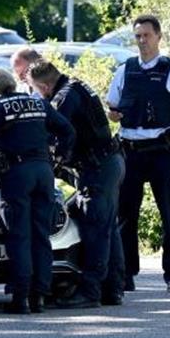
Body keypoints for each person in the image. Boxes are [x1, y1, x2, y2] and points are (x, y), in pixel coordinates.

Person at [0, 67, 75, 314]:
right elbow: (67, 130)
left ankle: (20, 297)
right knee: (41, 236)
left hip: (16, 174)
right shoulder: (36, 103)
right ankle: (39, 296)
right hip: (43, 172)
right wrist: (58, 158)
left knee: (19, 236)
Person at [106, 14, 170, 293]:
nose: (142, 41)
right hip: (129, 150)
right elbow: (112, 109)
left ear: (158, 36)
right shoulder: (124, 70)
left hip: (161, 151)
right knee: (125, 215)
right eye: (138, 36)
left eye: (147, 35)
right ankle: (126, 273)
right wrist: (114, 113)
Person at [28, 59, 126, 308]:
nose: (38, 94)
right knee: (107, 228)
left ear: (45, 85)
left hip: (97, 167)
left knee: (95, 229)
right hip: (109, 161)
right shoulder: (76, 86)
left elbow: (55, 131)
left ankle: (90, 292)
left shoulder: (63, 97)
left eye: (36, 89)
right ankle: (112, 289)